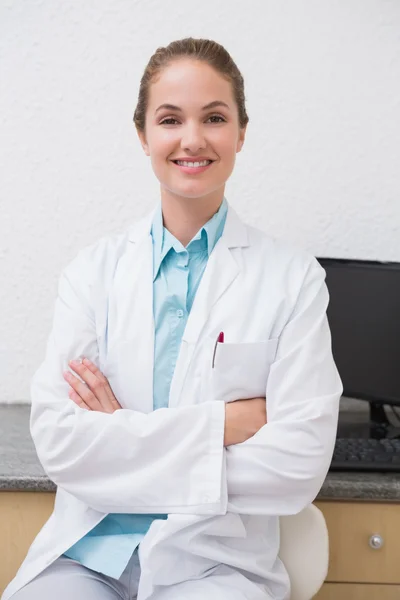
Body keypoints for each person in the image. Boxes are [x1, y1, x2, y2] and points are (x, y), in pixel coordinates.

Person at [2, 37, 343, 600]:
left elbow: (296, 467)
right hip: (91, 555)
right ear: (143, 135)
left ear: (240, 132)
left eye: (214, 117)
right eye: (169, 119)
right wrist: (222, 427)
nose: (192, 139)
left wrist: (121, 438)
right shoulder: (91, 273)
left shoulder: (293, 279)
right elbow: (62, 445)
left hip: (214, 566)